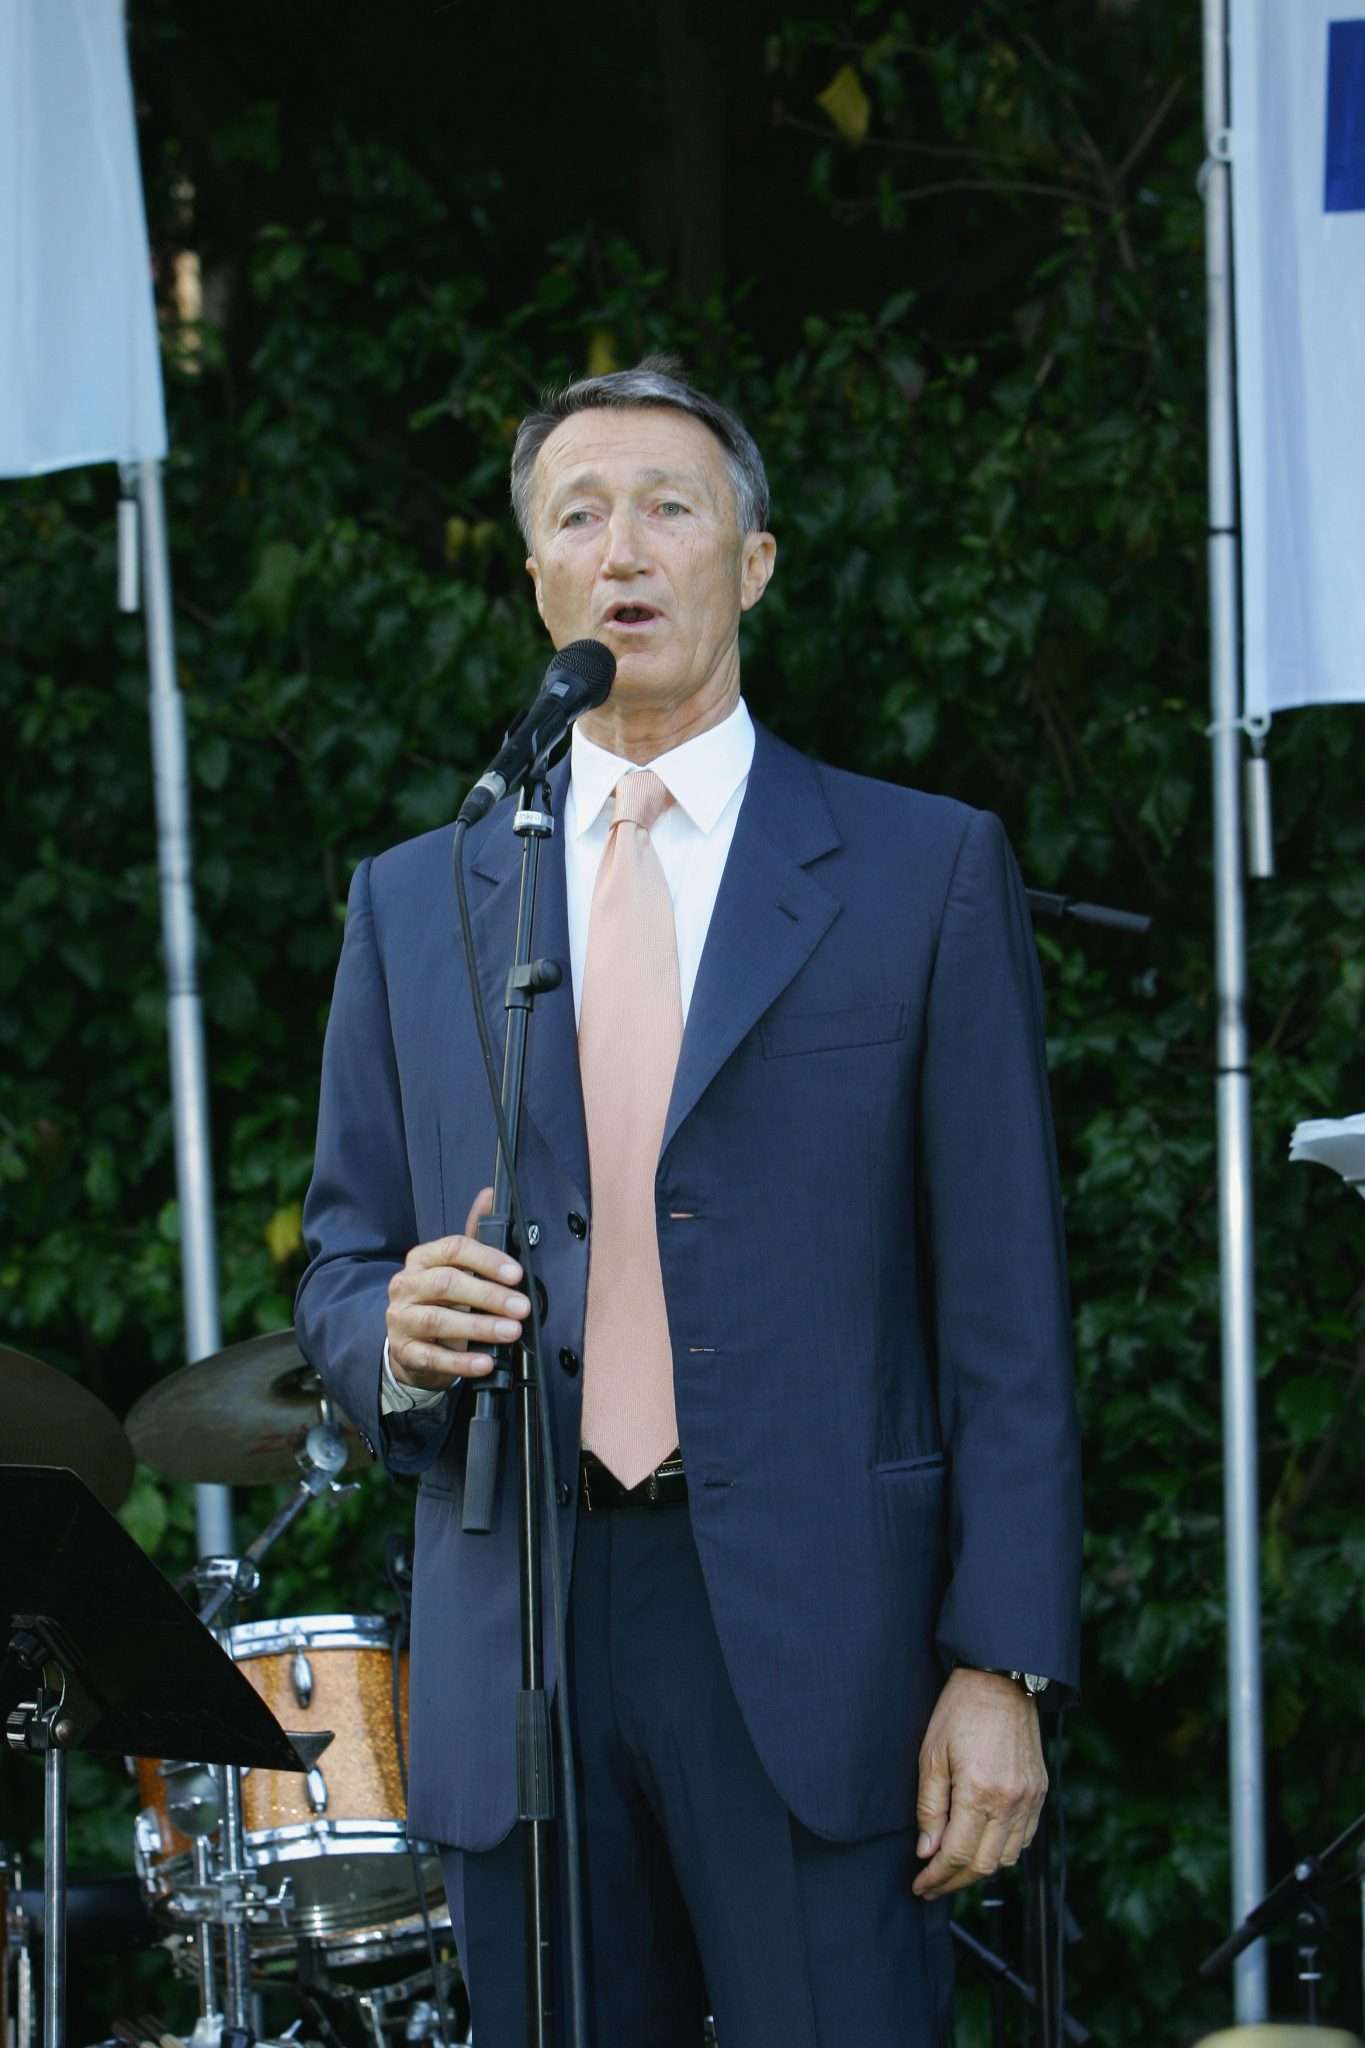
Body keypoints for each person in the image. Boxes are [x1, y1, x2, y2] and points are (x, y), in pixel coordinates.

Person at [295, 356, 1082, 2047]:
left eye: (670, 507)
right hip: (523, 1622)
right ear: (536, 577)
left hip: (823, 1637)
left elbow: (1006, 1308)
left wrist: (999, 1663)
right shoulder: (419, 897)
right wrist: (390, 1336)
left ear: (755, 560)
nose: (624, 548)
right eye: (579, 515)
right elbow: (340, 1258)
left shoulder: (919, 869)